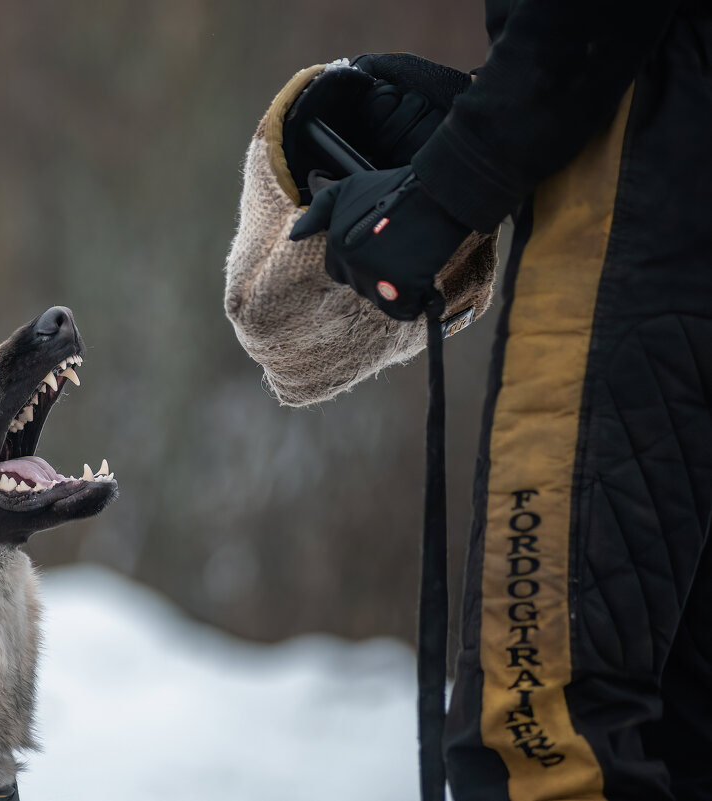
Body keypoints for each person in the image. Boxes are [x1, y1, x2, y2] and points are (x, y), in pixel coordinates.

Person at [226, 2, 712, 799]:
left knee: (539, 736)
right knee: (681, 728)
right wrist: (491, 109)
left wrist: (445, 193)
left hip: (633, 217)